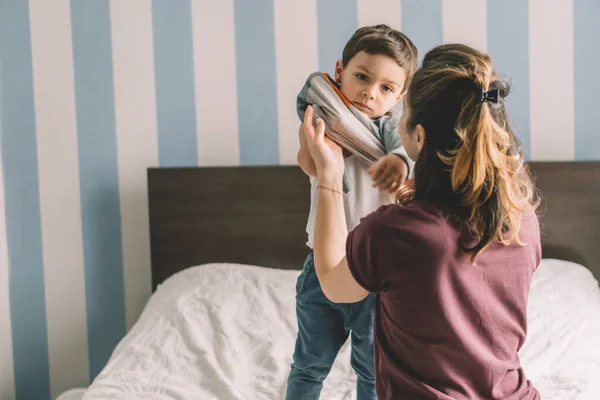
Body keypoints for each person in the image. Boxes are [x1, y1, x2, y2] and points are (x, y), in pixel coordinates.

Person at [302, 43, 542, 399]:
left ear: (419, 135)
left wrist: (330, 175)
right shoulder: (522, 217)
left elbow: (334, 284)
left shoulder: (396, 232)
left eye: (404, 109)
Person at [287, 24, 418, 400]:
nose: (369, 93)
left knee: (373, 370)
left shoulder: (391, 129)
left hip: (375, 273)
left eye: (386, 88)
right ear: (340, 71)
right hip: (321, 266)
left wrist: (397, 163)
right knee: (309, 363)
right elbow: (309, 165)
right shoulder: (325, 120)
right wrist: (321, 148)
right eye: (362, 77)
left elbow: (403, 153)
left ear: (400, 97)